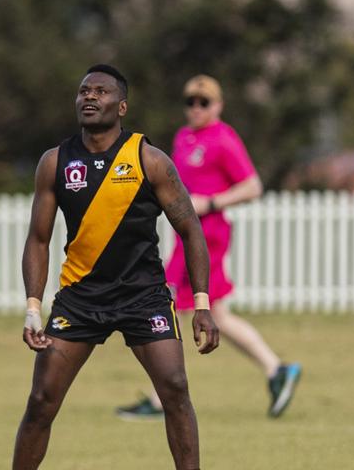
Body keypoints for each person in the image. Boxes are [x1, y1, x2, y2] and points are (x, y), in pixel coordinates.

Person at [12, 65, 220, 470]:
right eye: (83, 91)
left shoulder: (149, 159)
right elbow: (38, 239)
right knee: (41, 401)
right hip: (80, 299)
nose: (89, 97)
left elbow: (191, 230)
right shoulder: (55, 162)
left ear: (121, 106)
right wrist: (33, 309)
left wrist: (202, 305)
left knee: (175, 388)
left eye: (101, 92)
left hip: (144, 296)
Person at [116, 74, 300, 420]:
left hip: (208, 237)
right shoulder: (184, 138)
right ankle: (277, 370)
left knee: (169, 309)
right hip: (184, 236)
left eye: (204, 102)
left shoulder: (223, 139)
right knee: (208, 314)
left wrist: (211, 203)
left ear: (218, 105)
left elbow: (252, 186)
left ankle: (163, 400)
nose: (196, 108)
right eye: (191, 102)